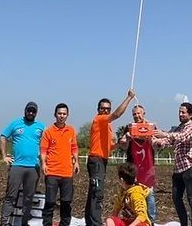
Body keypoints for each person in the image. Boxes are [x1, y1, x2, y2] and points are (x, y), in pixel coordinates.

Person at [85, 89, 136, 226]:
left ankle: (90, 221)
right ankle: (95, 223)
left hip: (102, 159)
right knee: (97, 192)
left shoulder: (107, 126)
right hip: (96, 160)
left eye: (108, 109)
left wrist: (119, 143)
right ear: (98, 109)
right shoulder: (100, 119)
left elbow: (109, 146)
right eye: (103, 108)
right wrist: (129, 98)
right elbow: (117, 114)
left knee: (94, 192)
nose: (105, 111)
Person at [154, 102, 192, 226]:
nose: (180, 114)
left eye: (183, 112)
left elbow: (181, 137)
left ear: (190, 114)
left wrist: (165, 134)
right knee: (176, 198)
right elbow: (166, 141)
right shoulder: (178, 128)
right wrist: (154, 138)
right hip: (178, 169)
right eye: (179, 112)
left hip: (189, 168)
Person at [0, 102, 45, 226]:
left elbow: (46, 144)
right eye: (29, 111)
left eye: (33, 111)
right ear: (25, 111)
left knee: (29, 197)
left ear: (36, 112)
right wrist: (4, 156)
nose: (31, 113)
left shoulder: (40, 126)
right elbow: (3, 137)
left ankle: (24, 223)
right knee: (11, 196)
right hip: (17, 166)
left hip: (33, 167)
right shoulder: (15, 124)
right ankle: (4, 222)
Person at [40, 103, 79, 226]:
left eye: (64, 114)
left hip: (67, 173)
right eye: (59, 113)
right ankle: (47, 223)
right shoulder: (48, 131)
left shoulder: (71, 130)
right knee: (50, 202)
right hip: (52, 172)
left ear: (67, 115)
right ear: (55, 114)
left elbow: (74, 147)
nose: (62, 116)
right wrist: (43, 164)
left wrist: (76, 162)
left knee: (66, 202)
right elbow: (43, 150)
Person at [119, 106, 159, 223]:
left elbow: (157, 144)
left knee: (149, 193)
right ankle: (133, 219)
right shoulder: (129, 127)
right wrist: (126, 139)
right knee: (132, 192)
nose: (137, 116)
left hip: (148, 164)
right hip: (133, 165)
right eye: (134, 114)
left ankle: (150, 220)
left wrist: (156, 139)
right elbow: (123, 144)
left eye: (139, 113)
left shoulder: (151, 126)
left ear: (144, 113)